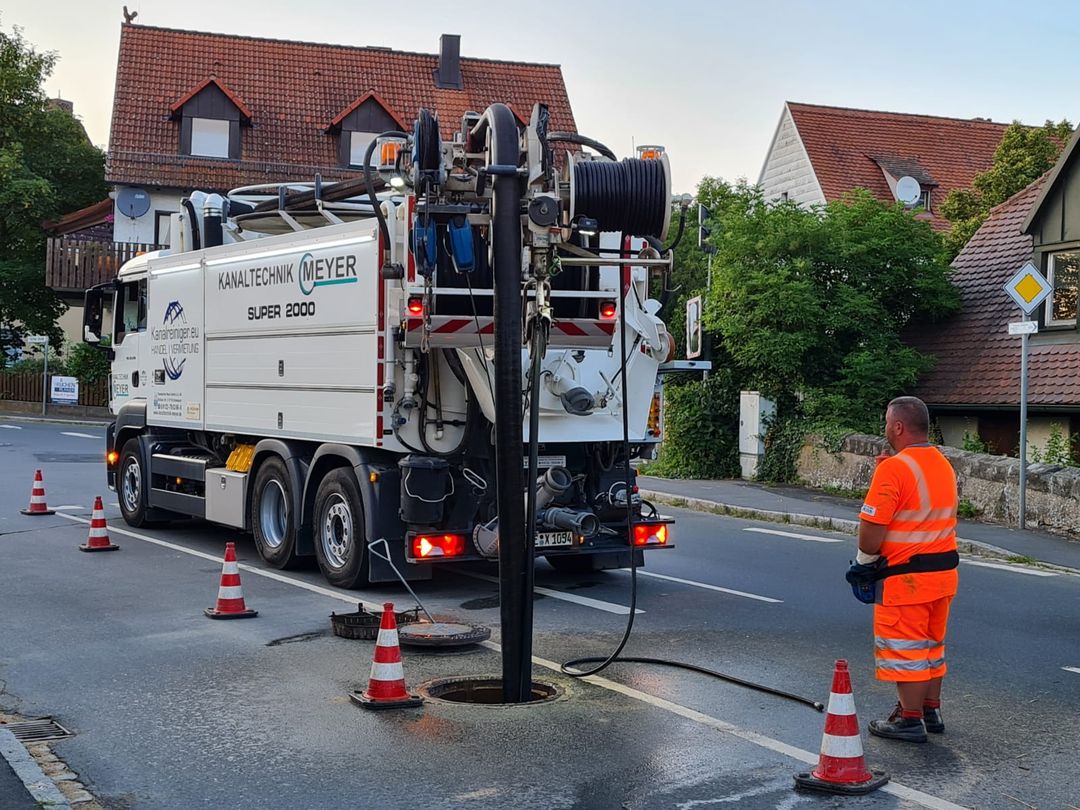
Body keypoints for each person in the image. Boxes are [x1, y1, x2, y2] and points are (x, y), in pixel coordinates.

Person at [856, 396, 959, 743]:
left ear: (898, 427)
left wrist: (863, 563)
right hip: (942, 576)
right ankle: (930, 709)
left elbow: (872, 532)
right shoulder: (942, 463)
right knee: (930, 647)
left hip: (905, 579)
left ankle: (910, 719)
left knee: (907, 651)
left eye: (887, 423)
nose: (885, 428)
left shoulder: (894, 469)